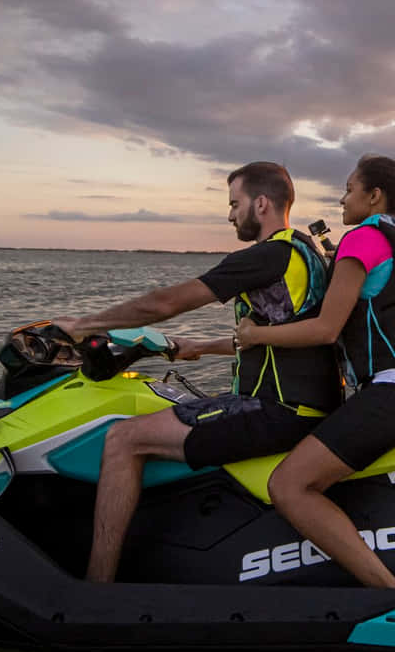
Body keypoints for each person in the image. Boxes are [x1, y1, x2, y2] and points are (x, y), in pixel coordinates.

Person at [48, 161, 340, 582]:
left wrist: (84, 325)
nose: (229, 215)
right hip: (306, 406)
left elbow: (165, 303)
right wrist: (200, 347)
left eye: (234, 204)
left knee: (123, 438)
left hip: (276, 410)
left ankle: (96, 587)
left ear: (261, 204)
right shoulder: (306, 253)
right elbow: (276, 337)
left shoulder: (266, 255)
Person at [234, 154, 395, 589]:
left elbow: (324, 329)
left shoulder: (363, 238)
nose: (341, 201)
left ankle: (389, 595)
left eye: (348, 190)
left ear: (373, 196)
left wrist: (255, 336)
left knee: (288, 485)